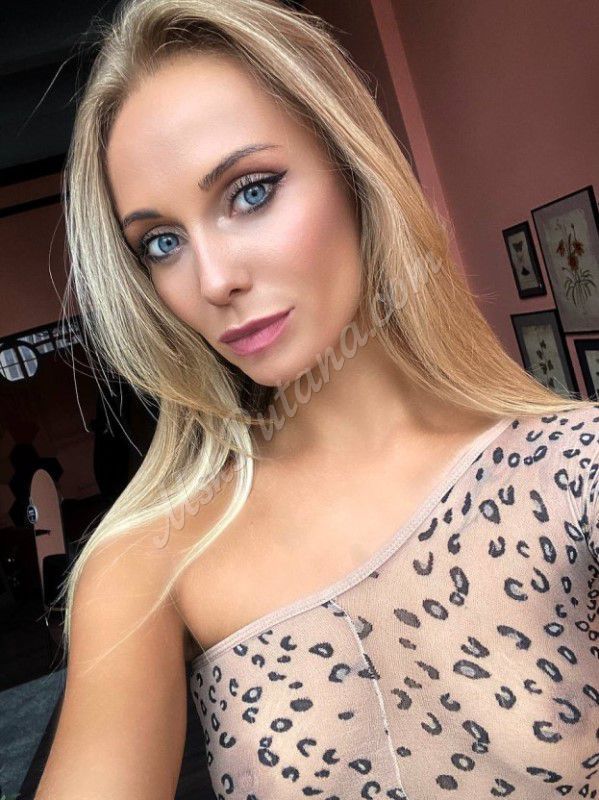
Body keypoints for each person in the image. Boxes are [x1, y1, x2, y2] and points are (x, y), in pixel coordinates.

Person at [36, 0, 599, 798]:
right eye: (161, 243)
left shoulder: (572, 468)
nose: (212, 279)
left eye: (249, 192)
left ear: (352, 170)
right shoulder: (150, 560)